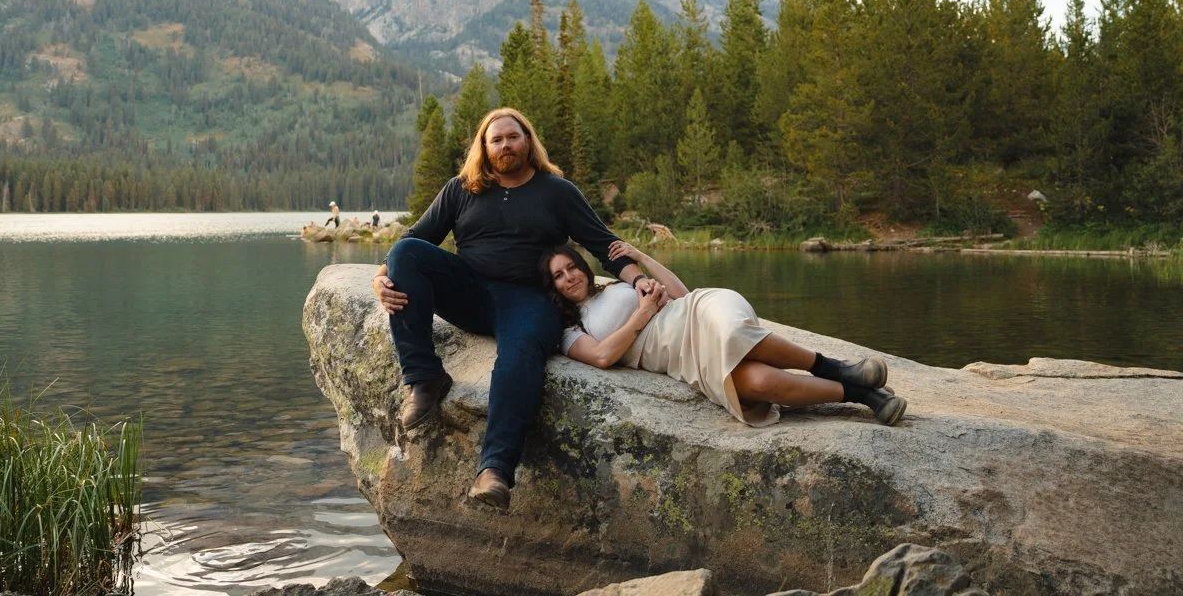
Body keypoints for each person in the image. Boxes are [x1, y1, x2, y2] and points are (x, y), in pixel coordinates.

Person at [371, 108, 662, 512]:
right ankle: (424, 378)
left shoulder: (556, 191)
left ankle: (494, 471)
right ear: (484, 148)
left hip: (530, 300)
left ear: (528, 141)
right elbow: (415, 237)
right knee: (407, 253)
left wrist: (637, 278)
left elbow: (602, 243)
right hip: (469, 292)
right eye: (496, 139)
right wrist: (381, 278)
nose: (505, 145)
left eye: (513, 137)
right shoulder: (461, 189)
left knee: (519, 358)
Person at [539, 241, 907, 427]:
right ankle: (858, 393)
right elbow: (603, 356)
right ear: (552, 287)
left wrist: (642, 258)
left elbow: (682, 293)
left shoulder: (614, 286)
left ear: (583, 267)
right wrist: (644, 314)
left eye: (572, 267)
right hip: (679, 356)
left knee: (731, 332)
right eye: (559, 275)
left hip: (698, 312)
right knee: (756, 385)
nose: (570, 276)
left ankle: (834, 367)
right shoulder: (571, 330)